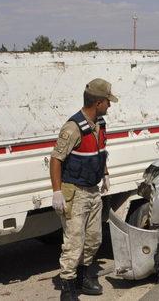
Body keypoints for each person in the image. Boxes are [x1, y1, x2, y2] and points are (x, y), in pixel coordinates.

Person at [50, 78, 118, 300]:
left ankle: (83, 277)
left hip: (92, 189)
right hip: (75, 192)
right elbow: (56, 159)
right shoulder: (73, 128)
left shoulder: (99, 124)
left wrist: (105, 174)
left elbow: (100, 151)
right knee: (74, 242)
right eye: (108, 101)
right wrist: (57, 191)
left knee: (94, 239)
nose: (110, 105)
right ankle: (67, 289)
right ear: (98, 103)